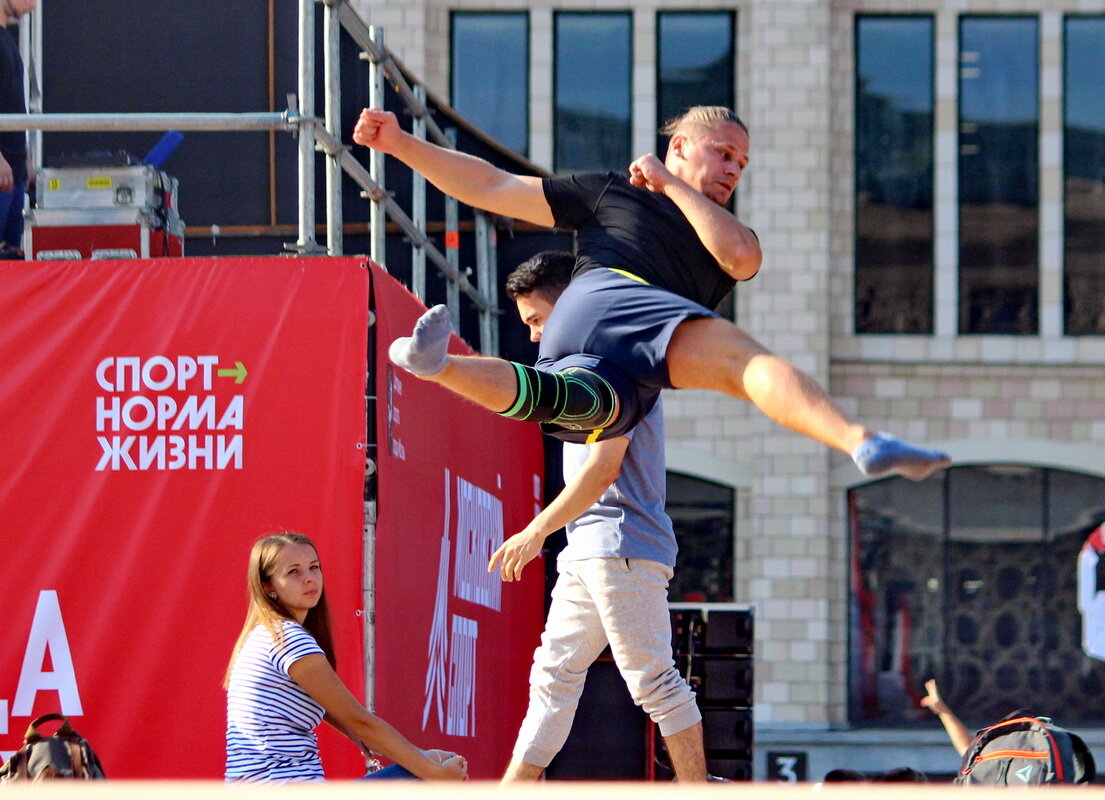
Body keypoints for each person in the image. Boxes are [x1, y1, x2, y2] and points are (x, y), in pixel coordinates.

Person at [352, 105, 950, 482]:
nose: (734, 169)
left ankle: (437, 366)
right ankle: (858, 439)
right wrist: (403, 145)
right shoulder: (614, 193)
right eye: (723, 153)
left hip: (622, 367)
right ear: (680, 146)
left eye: (742, 162)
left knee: (567, 404)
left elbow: (740, 258)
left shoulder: (725, 229)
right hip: (611, 296)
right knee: (749, 366)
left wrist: (671, 184)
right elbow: (493, 185)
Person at [488, 251, 707, 782]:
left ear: (570, 305)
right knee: (554, 677)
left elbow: (604, 468)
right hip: (591, 547)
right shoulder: (583, 368)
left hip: (620, 543)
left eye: (538, 319)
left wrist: (536, 530)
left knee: (653, 681)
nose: (536, 337)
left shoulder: (618, 364)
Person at [224, 532, 468, 783]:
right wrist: (435, 774)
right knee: (437, 766)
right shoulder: (287, 638)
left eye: (314, 567)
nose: (309, 579)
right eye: (293, 572)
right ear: (268, 586)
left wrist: (365, 740)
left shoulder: (265, 635)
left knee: (434, 761)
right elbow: (359, 720)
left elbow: (339, 713)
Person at [0, 0, 33, 260]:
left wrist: (26, 154)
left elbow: (13, 101)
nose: (33, 4)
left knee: (12, 256)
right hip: (3, 170)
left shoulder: (8, 39)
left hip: (15, 170)